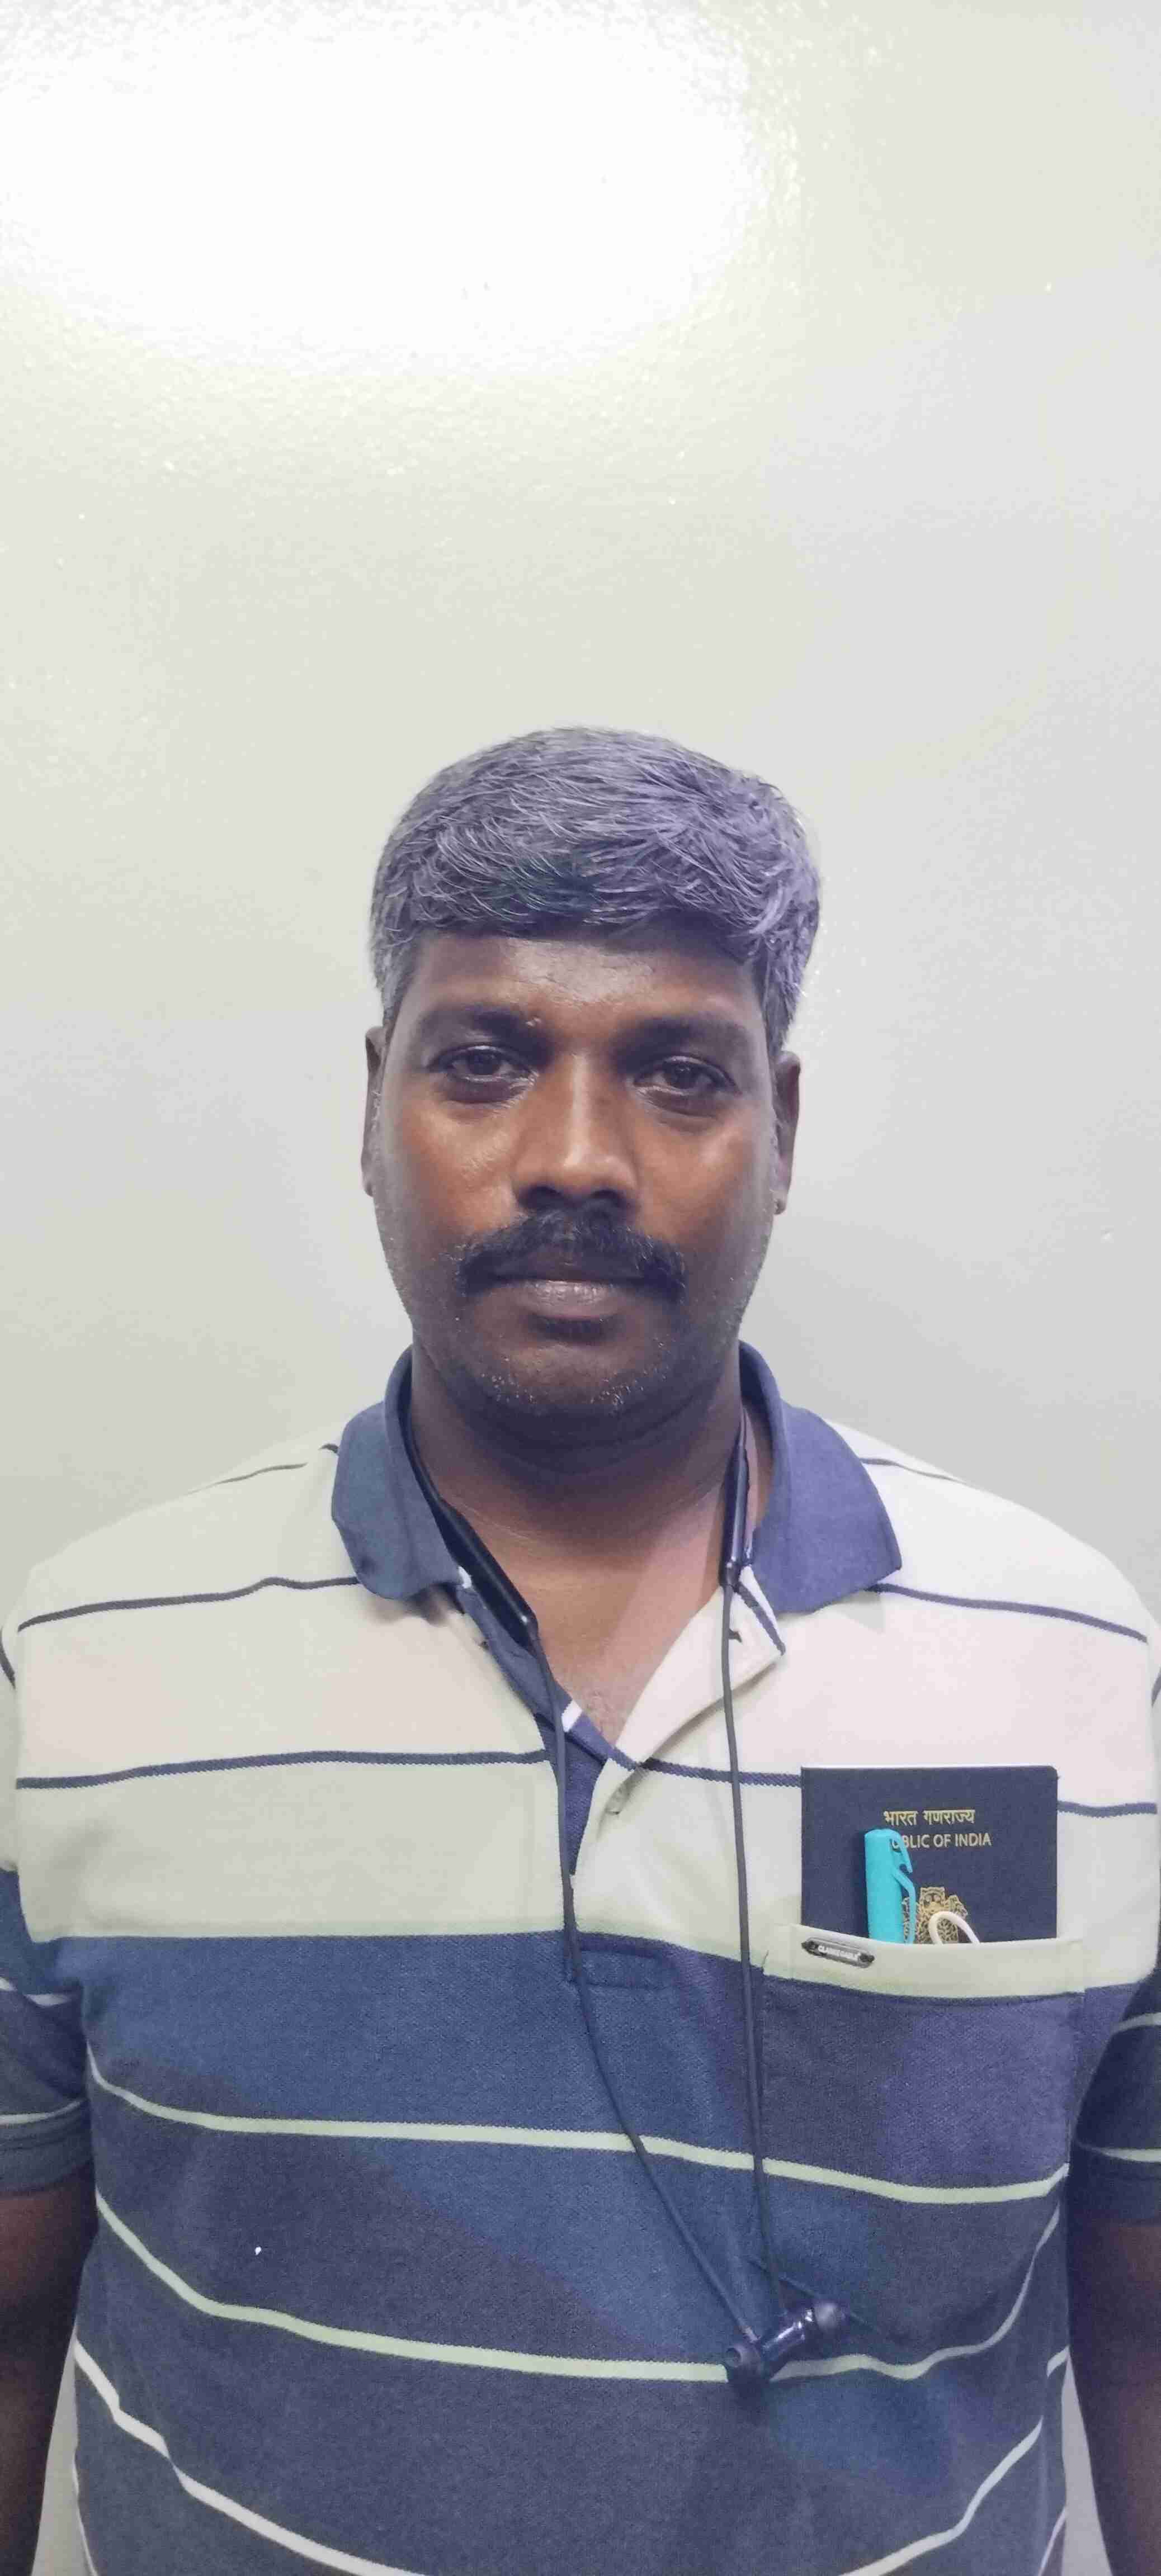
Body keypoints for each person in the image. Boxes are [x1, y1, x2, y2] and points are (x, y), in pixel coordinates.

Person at [1, 726, 1159, 2576]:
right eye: (483, 1062)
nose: (574, 1159)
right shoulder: (81, 1672)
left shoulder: (1076, 1671)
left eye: (678, 1075)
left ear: (781, 1128)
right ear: (372, 1104)